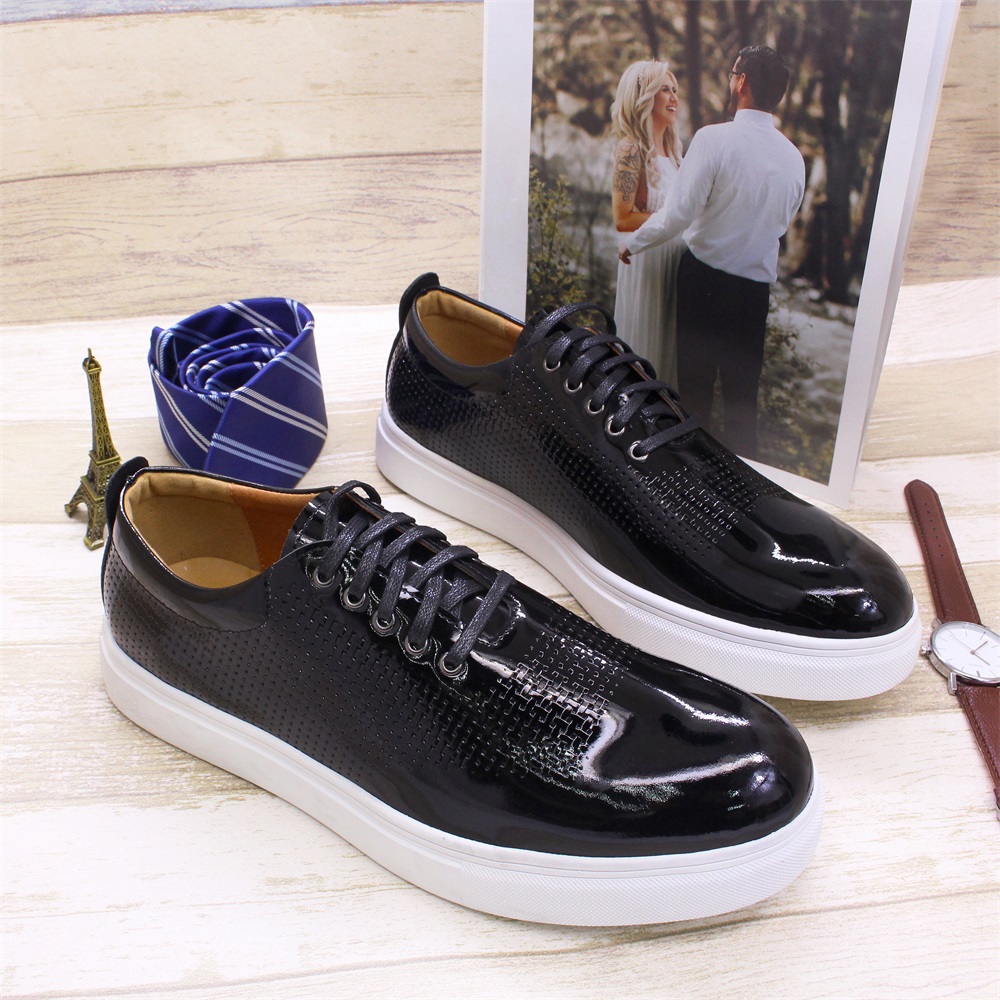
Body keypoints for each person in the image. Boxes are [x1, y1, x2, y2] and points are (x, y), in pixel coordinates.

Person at [619, 45, 805, 459]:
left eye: (732, 74)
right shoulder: (794, 159)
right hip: (753, 294)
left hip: (703, 282)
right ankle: (743, 484)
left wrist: (634, 242)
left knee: (694, 397)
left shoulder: (713, 139)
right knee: (742, 404)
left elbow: (679, 213)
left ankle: (689, 475)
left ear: (742, 83)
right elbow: (782, 223)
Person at [610, 60, 686, 387]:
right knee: (646, 355)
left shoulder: (676, 152)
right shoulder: (631, 149)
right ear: (644, 97)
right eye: (664, 90)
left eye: (675, 90)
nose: (674, 97)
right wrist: (675, 220)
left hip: (676, 264)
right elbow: (622, 218)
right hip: (647, 263)